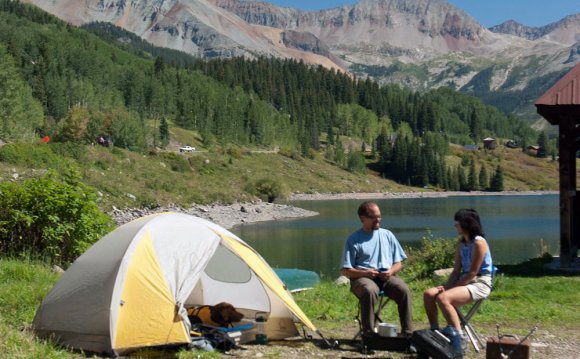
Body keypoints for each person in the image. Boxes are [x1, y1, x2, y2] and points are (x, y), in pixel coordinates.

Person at [423, 208, 493, 354]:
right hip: (464, 281)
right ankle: (435, 331)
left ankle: (459, 338)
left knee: (444, 298)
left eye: (457, 223)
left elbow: (473, 273)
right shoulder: (461, 244)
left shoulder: (479, 243)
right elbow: (456, 271)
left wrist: (451, 288)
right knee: (429, 294)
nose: (455, 225)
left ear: (467, 224)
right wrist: (447, 285)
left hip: (480, 282)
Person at [340, 201, 413, 337]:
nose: (378, 220)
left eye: (379, 216)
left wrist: (391, 271)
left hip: (386, 276)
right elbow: (345, 270)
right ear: (363, 218)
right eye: (374, 217)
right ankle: (369, 333)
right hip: (361, 278)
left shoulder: (387, 235)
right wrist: (366, 273)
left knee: (403, 289)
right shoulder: (353, 239)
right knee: (370, 290)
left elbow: (398, 263)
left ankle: (407, 333)